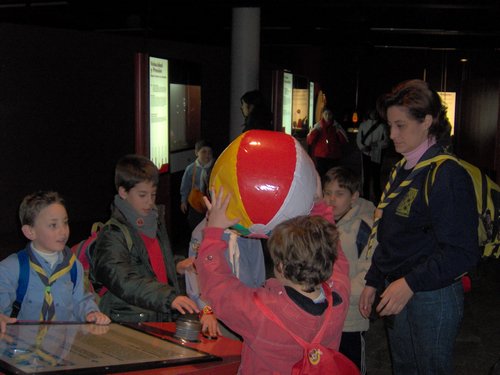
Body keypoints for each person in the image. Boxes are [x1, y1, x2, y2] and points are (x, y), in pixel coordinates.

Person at [359, 79, 480, 375]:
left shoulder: (446, 174)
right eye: (390, 126)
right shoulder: (403, 168)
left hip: (432, 295)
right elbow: (391, 234)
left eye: (400, 126)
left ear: (426, 121)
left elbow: (462, 252)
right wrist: (374, 279)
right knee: (403, 367)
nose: (391, 135)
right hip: (398, 287)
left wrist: (410, 283)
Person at [195, 187, 351, 374]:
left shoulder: (261, 312)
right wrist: (319, 205)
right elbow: (339, 258)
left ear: (281, 267)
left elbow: (217, 286)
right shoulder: (339, 298)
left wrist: (213, 230)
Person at [91, 154, 199, 322]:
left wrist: (176, 265)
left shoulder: (154, 222)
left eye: (153, 194)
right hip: (130, 320)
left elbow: (153, 263)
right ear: (123, 192)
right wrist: (168, 298)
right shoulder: (112, 233)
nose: (150, 202)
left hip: (158, 313)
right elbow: (122, 278)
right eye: (142, 195)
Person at [0, 191, 110, 333]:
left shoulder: (73, 266)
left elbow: (80, 299)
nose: (63, 231)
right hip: (22, 351)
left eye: (65, 223)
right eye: (53, 225)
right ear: (29, 232)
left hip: (61, 350)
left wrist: (91, 313)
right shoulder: (13, 268)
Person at [322, 167, 375, 374]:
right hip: (325, 314)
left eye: (339, 194)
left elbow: (369, 271)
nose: (331, 199)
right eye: (327, 193)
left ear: (354, 197)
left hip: (350, 317)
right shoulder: (325, 222)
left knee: (351, 366)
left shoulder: (364, 227)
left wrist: (339, 296)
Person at [178, 219, 266, 339]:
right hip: (216, 313)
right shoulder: (202, 231)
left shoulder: (248, 229)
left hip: (246, 310)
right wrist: (207, 309)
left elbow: (258, 272)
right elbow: (195, 273)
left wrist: (258, 307)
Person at [356, 109, 389, 204]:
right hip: (365, 153)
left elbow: (386, 141)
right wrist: (362, 148)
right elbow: (359, 139)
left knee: (376, 176)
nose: (373, 114)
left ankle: (377, 197)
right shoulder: (363, 125)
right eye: (372, 112)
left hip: (377, 153)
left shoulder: (382, 126)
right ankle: (365, 197)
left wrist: (377, 144)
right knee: (365, 176)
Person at [180, 140, 214, 231]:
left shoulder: (215, 167)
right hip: (195, 203)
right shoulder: (190, 169)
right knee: (195, 225)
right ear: (196, 153)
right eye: (203, 152)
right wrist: (184, 200)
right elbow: (185, 185)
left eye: (209, 152)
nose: (207, 155)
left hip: (211, 204)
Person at [307, 107, 348, 177]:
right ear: (322, 115)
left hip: (333, 155)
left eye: (329, 114)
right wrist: (316, 131)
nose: (328, 116)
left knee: (332, 175)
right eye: (326, 114)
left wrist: (338, 132)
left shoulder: (337, 126)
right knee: (321, 175)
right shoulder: (317, 126)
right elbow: (309, 141)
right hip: (321, 155)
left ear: (332, 115)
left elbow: (344, 141)